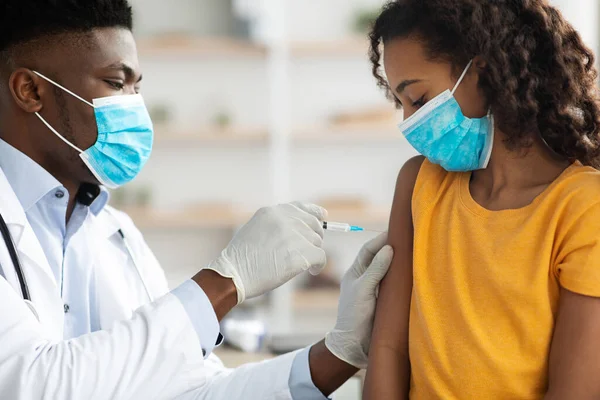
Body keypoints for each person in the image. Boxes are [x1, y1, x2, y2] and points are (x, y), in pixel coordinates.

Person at [0, 1, 394, 399]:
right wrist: (226, 281)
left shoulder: (117, 235)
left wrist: (340, 352)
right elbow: (32, 385)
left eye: (138, 87)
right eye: (117, 84)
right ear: (31, 90)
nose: (135, 106)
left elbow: (195, 390)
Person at [363, 0, 600, 399]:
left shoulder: (583, 206)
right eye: (399, 103)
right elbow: (388, 348)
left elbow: (574, 390)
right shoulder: (419, 184)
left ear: (484, 68)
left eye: (418, 100)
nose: (408, 123)